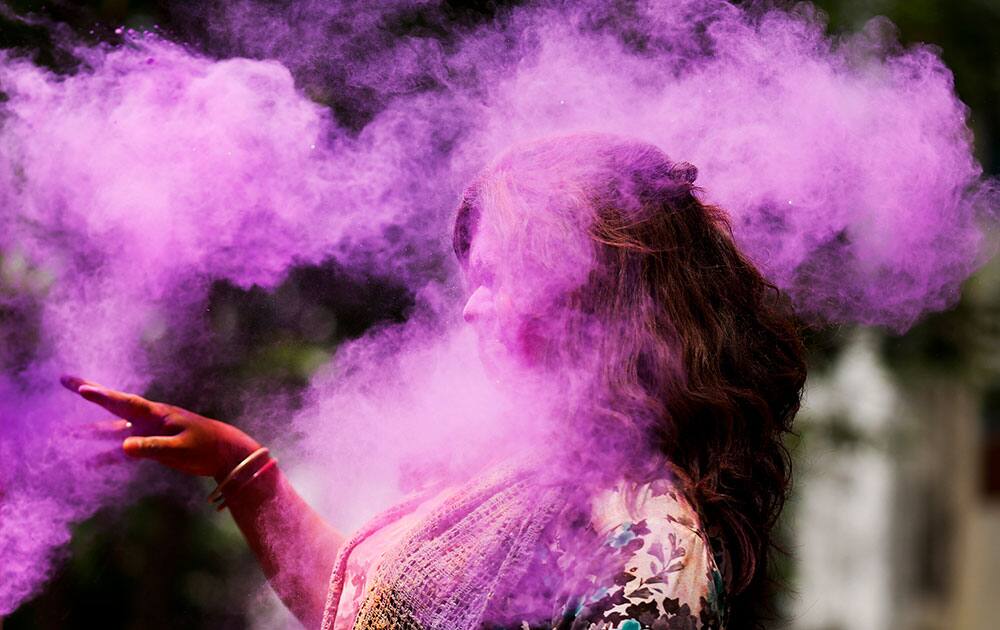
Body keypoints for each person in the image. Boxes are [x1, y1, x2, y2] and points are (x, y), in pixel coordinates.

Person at [62, 133, 807, 630]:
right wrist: (243, 470)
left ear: (589, 293)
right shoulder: (524, 474)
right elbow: (374, 612)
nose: (469, 309)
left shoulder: (645, 541)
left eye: (495, 279)